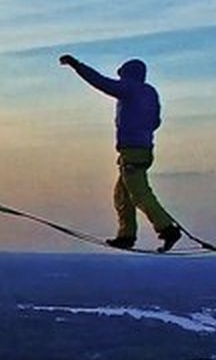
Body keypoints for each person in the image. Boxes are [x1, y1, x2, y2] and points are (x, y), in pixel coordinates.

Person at [59, 54, 182, 253]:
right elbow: (155, 122)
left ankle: (167, 229)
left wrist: (77, 66)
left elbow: (101, 82)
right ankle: (126, 236)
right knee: (122, 194)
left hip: (132, 151)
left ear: (127, 74)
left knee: (139, 193)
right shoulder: (150, 92)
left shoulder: (129, 89)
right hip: (143, 150)